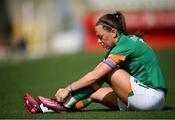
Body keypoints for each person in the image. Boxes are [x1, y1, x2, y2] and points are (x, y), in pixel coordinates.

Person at [24, 11, 167, 113]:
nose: (99, 41)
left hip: (150, 98)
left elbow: (96, 75)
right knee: (93, 93)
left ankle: (62, 105)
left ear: (114, 32)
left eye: (101, 36)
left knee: (105, 73)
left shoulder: (124, 45)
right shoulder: (123, 43)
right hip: (143, 97)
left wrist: (68, 88)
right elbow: (95, 75)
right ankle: (45, 109)